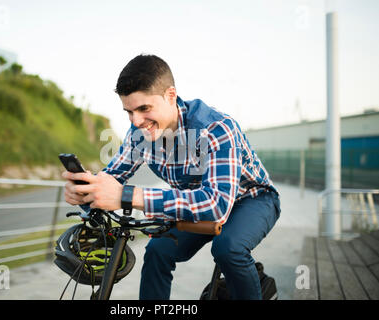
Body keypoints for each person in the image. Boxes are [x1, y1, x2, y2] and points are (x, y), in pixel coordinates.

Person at [62, 54, 281, 300]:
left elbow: (216, 205)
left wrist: (127, 196)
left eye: (144, 109)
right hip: (197, 202)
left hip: (252, 199)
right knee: (157, 250)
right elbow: (112, 177)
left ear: (171, 96)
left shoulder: (216, 128)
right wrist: (87, 190)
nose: (136, 121)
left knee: (228, 249)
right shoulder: (139, 131)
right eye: (129, 112)